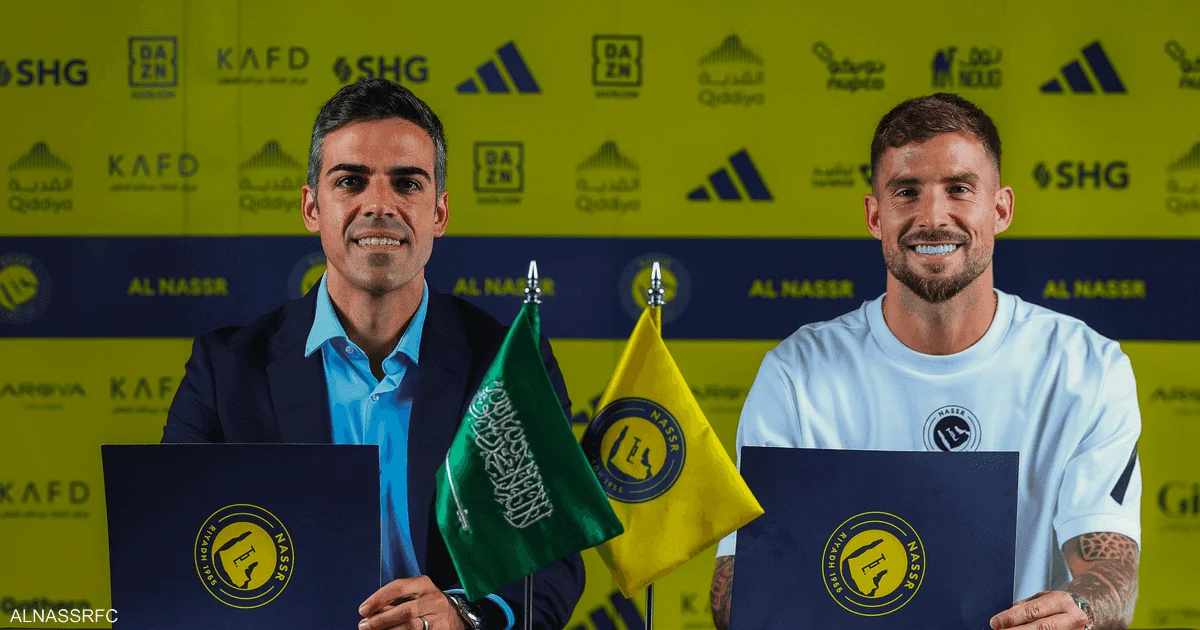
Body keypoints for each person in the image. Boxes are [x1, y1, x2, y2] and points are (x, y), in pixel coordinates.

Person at [162, 78, 584, 630]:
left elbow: (550, 558)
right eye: (350, 181)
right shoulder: (224, 371)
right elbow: (172, 551)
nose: (379, 205)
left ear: (439, 212)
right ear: (312, 207)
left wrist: (464, 616)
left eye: (406, 183)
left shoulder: (507, 366)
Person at [709, 93, 1140, 630]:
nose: (933, 218)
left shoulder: (1086, 369)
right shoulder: (797, 375)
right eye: (907, 191)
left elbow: (1109, 571)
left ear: (1001, 209)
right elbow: (737, 590)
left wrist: (1082, 611)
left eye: (959, 188)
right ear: (875, 215)